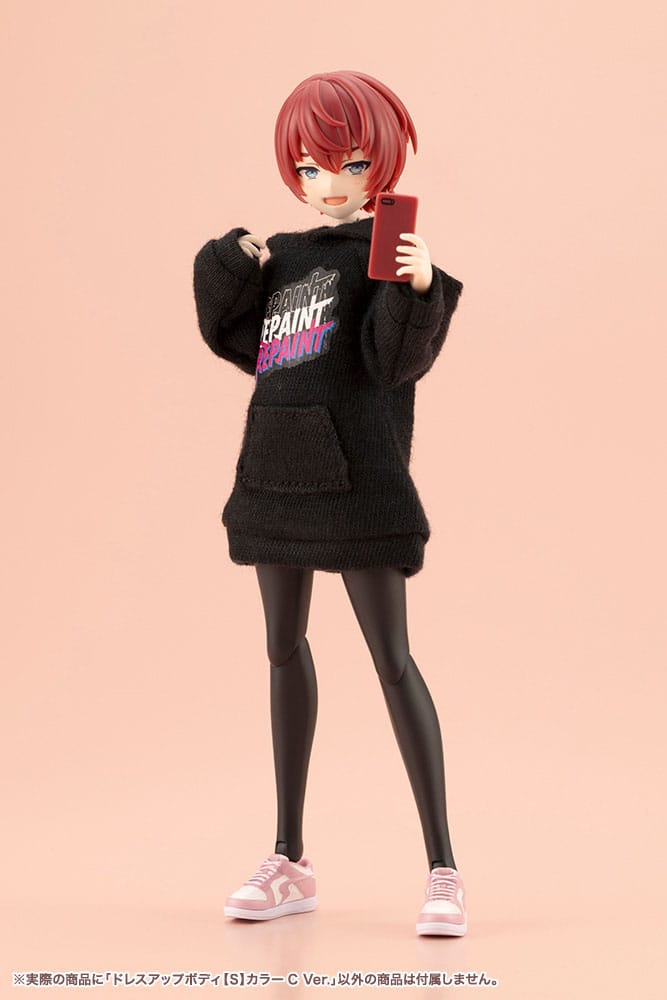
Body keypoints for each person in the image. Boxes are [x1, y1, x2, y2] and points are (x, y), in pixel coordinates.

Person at [192, 70, 467, 936]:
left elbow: (393, 365)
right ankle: (288, 858)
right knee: (281, 650)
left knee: (392, 661)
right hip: (274, 475)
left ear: (380, 166)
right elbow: (240, 341)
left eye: (349, 164)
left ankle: (443, 867)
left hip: (362, 483)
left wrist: (417, 290)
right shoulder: (285, 258)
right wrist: (227, 263)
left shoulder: (383, 255)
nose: (328, 183)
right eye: (310, 167)